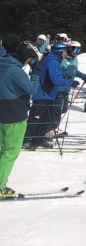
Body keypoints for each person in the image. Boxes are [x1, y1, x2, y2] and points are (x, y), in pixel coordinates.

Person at [0, 42, 39, 198]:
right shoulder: (15, 71)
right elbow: (32, 90)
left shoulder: (3, 63)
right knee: (10, 152)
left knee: (3, 150)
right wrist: (36, 74)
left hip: (3, 113)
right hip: (14, 116)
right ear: (27, 57)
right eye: (31, 59)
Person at [24, 41, 73, 149]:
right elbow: (55, 79)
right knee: (35, 119)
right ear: (60, 51)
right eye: (65, 51)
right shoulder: (53, 61)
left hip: (48, 95)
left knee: (45, 119)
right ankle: (26, 140)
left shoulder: (54, 60)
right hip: (43, 94)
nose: (66, 53)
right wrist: (69, 82)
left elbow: (55, 75)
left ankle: (38, 140)